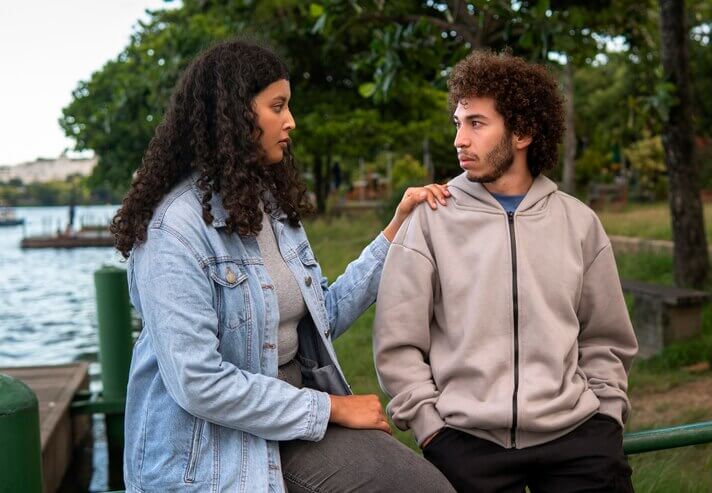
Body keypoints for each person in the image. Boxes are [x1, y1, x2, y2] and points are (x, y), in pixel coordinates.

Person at [112, 40, 455, 493]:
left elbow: (320, 316)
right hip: (211, 452)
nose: (291, 121)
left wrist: (395, 230)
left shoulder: (266, 207)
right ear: (233, 115)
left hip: (286, 420)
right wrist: (329, 409)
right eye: (278, 106)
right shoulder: (172, 230)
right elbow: (198, 383)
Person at [373, 51, 639, 493]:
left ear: (524, 132)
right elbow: (397, 343)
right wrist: (431, 428)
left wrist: (607, 414)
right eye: (458, 122)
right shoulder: (430, 221)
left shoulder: (578, 223)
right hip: (466, 444)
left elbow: (605, 336)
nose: (460, 138)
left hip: (578, 437)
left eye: (476, 123)